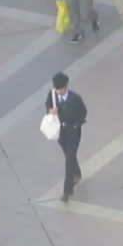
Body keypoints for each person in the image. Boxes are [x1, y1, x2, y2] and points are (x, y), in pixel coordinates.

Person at [44, 73, 88, 203]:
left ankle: (67, 191)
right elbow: (47, 106)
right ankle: (77, 173)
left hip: (73, 132)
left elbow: (83, 113)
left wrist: (75, 125)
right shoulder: (52, 95)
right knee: (69, 155)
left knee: (68, 160)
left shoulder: (75, 98)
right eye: (57, 89)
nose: (59, 92)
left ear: (66, 87)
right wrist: (50, 111)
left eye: (61, 89)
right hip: (60, 133)